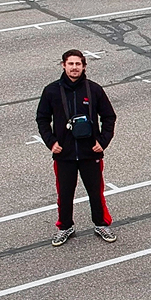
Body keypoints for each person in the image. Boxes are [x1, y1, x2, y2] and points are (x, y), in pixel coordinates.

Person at [36, 48, 117, 247]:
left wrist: (103, 141)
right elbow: (42, 119)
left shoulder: (94, 89)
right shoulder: (51, 91)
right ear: (63, 65)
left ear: (84, 66)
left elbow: (109, 117)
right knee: (64, 193)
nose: (74, 67)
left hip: (91, 153)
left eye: (78, 64)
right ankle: (65, 227)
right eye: (70, 64)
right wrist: (51, 142)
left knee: (95, 192)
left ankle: (101, 224)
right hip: (64, 154)